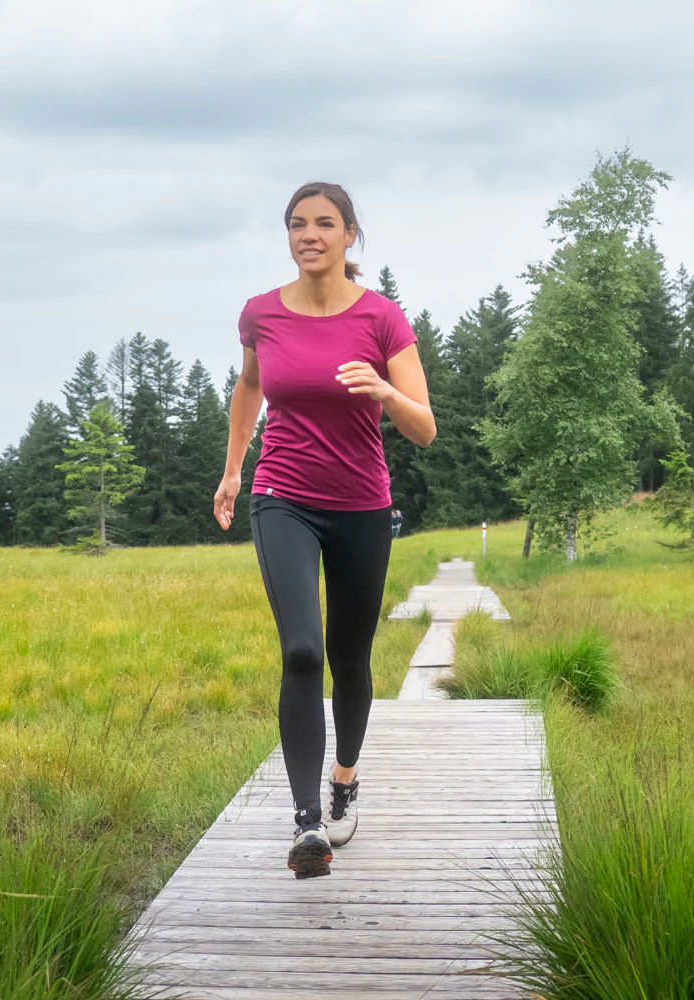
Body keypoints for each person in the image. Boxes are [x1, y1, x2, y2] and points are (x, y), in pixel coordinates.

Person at [214, 181, 437, 878]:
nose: (309, 234)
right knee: (303, 651)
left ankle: (344, 779)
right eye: (297, 224)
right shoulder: (261, 315)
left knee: (350, 655)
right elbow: (250, 386)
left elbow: (424, 428)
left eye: (325, 223)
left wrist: (385, 391)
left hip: (363, 504)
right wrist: (232, 470)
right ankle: (308, 822)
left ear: (349, 237)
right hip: (283, 497)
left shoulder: (381, 320)